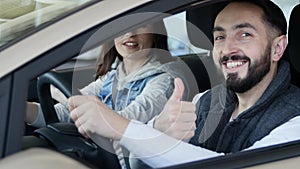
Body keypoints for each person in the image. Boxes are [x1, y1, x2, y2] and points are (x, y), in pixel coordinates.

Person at [68, 0, 300, 168]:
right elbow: (138, 164)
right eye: (219, 37)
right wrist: (158, 130)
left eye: (245, 35)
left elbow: (231, 166)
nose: (227, 49)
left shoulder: (295, 118)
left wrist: (120, 127)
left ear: (278, 48)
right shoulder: (204, 101)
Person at [25, 20, 193, 168]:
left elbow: (121, 124)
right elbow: (66, 112)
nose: (130, 33)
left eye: (141, 24)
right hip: (101, 156)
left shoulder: (163, 82)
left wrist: (59, 94)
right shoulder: (113, 76)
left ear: (155, 33)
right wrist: (21, 109)